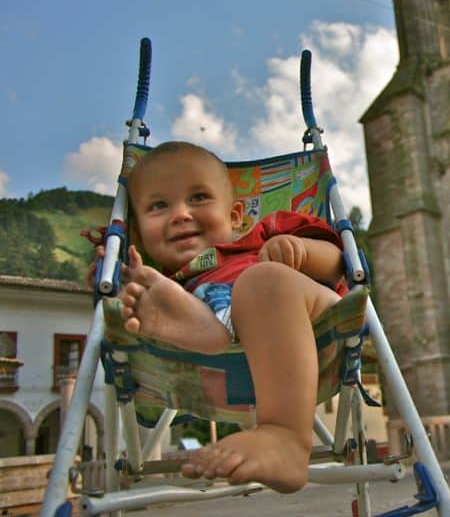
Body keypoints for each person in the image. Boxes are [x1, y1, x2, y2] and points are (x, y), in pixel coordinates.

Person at [87, 141, 345, 493]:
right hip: (212, 349)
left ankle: (285, 434)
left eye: (198, 198)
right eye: (159, 205)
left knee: (261, 281)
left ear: (236, 217)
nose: (180, 214)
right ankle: (205, 327)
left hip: (309, 325)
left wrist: (301, 250)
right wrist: (115, 277)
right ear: (139, 234)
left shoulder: (265, 233)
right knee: (160, 300)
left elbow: (338, 265)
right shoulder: (159, 287)